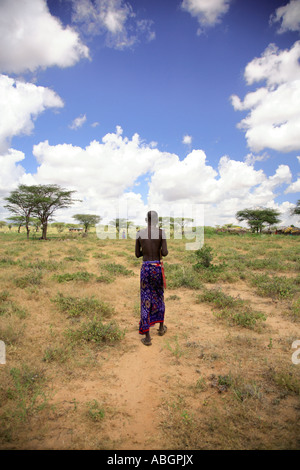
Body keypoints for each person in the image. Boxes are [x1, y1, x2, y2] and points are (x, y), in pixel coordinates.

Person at [135, 210, 168, 346]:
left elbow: (137, 254)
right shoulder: (161, 232)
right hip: (157, 268)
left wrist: (146, 250)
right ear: (157, 220)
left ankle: (147, 337)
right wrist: (157, 250)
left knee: (146, 299)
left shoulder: (139, 233)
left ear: (145, 220)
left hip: (146, 269)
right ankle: (161, 328)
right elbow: (165, 253)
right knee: (159, 297)